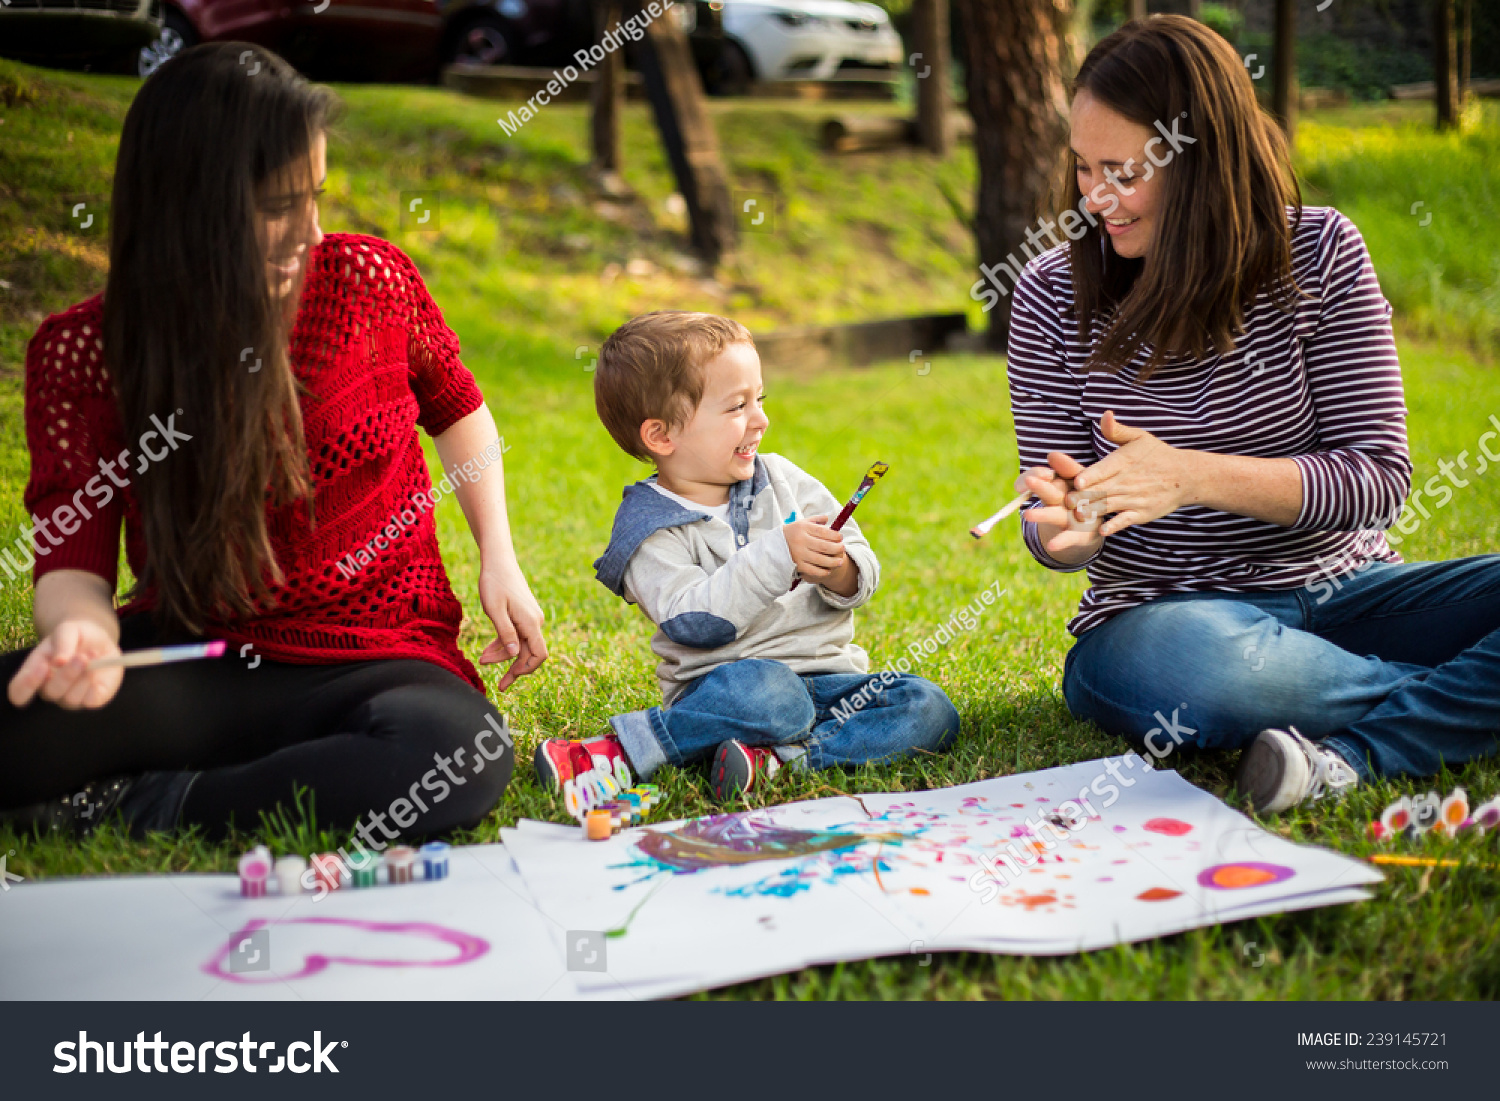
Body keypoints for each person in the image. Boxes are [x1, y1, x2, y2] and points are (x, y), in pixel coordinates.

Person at [0, 44, 547, 839]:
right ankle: (220, 767)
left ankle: (161, 803)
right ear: (187, 206)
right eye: (276, 206)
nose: (310, 230)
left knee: (455, 755)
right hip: (197, 660)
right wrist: (81, 633)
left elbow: (459, 408)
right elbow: (71, 560)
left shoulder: (368, 282)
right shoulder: (84, 351)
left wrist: (498, 554)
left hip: (376, 653)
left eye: (315, 196)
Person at [1004, 16, 1499, 813]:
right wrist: (1061, 531)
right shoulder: (1048, 294)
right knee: (1191, 669)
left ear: (1201, 159)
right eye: (1083, 169)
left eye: (1122, 173)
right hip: (1166, 623)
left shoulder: (1322, 252)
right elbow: (1044, 514)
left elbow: (1378, 479)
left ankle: (1358, 751)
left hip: (1349, 598)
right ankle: (1456, 702)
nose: (1096, 200)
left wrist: (1189, 475)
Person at [534, 310, 959, 800]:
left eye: (759, 399)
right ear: (662, 436)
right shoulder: (649, 527)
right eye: (737, 406)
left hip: (833, 683)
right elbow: (694, 621)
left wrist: (840, 569)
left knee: (927, 707)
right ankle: (627, 749)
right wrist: (778, 554)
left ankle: (785, 761)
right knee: (774, 696)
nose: (761, 420)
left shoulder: (783, 478)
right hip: (730, 691)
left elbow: (859, 571)